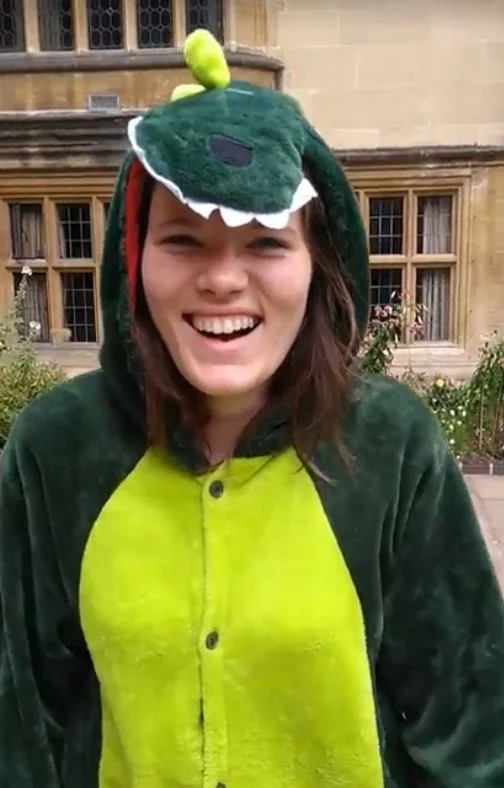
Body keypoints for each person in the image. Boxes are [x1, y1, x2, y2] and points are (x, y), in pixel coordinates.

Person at [0, 29, 503, 788]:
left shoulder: (393, 445)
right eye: (183, 241)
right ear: (134, 261)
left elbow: (474, 730)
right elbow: (21, 723)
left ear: (316, 263)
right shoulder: (55, 450)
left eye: (265, 243)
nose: (223, 280)